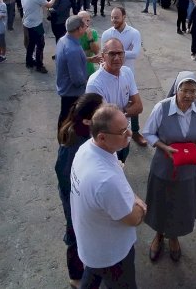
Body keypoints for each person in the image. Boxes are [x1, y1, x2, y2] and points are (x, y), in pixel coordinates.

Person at [70, 105, 147, 289]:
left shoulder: (86, 149)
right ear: (102, 137)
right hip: (112, 255)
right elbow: (134, 218)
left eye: (127, 126)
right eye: (122, 131)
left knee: (92, 274)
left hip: (92, 244)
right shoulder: (105, 181)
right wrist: (141, 205)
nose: (129, 134)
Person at [143, 71, 196, 262]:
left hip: (189, 169)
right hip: (164, 167)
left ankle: (174, 237)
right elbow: (148, 133)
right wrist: (164, 147)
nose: (189, 95)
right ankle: (159, 236)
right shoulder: (162, 108)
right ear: (176, 89)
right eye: (185, 90)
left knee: (181, 204)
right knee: (161, 202)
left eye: (193, 91)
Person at [54, 93, 104, 287]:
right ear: (87, 120)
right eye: (101, 110)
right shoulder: (75, 145)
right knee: (75, 236)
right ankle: (75, 277)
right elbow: (66, 179)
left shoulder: (83, 133)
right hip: (75, 203)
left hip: (79, 200)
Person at [86, 39, 144, 163]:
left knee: (122, 162)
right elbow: (103, 122)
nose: (117, 58)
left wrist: (116, 113)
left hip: (125, 136)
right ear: (103, 56)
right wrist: (127, 109)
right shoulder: (95, 83)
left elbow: (139, 107)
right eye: (112, 54)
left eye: (120, 53)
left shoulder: (127, 72)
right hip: (108, 141)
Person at [100, 7, 146, 146]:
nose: (114, 20)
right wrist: (126, 51)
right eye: (112, 17)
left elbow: (136, 53)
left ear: (124, 17)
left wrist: (114, 52)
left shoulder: (134, 33)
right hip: (110, 75)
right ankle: (114, 131)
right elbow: (104, 56)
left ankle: (136, 132)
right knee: (111, 103)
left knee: (133, 102)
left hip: (128, 74)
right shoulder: (107, 34)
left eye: (117, 17)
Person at [55, 15, 91, 126]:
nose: (87, 27)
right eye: (85, 25)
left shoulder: (64, 40)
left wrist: (86, 59)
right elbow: (77, 80)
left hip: (64, 88)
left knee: (64, 117)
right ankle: (65, 142)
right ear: (79, 29)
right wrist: (89, 82)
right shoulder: (73, 49)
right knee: (70, 122)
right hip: (72, 93)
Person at [22, 0, 59, 73]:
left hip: (27, 23)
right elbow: (49, 5)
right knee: (40, 44)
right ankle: (39, 65)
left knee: (30, 44)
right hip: (36, 24)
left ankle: (29, 61)